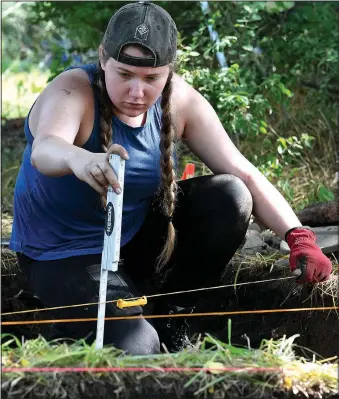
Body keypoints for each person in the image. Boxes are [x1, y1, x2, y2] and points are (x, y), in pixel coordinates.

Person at [9, 2, 332, 355]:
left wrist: (298, 235)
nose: (137, 92)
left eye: (151, 79)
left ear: (168, 71)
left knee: (231, 194)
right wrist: (79, 159)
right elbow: (46, 148)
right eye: (124, 74)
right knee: (138, 347)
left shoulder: (179, 100)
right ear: (103, 59)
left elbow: (242, 171)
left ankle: (174, 316)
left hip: (132, 241)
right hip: (62, 253)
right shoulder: (72, 90)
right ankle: (68, 328)